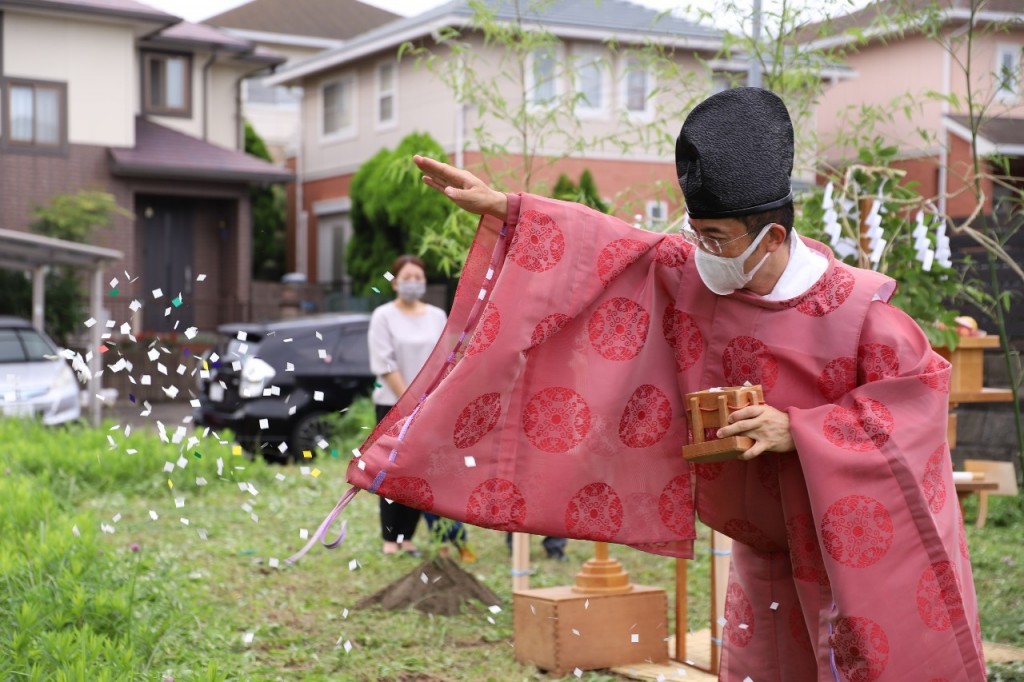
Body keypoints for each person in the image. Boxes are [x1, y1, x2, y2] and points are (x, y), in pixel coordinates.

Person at [352, 87, 983, 680]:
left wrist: (800, 430)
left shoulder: (861, 313)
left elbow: (916, 407)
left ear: (773, 238)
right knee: (762, 663)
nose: (701, 250)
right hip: (761, 543)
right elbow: (610, 249)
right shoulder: (699, 277)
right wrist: (506, 210)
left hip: (847, 548)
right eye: (697, 234)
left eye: (716, 238)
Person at [367, 254, 475, 562]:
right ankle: (390, 538)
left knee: (417, 472)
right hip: (393, 405)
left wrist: (434, 400)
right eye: (407, 277)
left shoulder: (437, 316)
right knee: (390, 472)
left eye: (418, 277)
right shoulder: (383, 316)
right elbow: (385, 364)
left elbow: (447, 358)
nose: (413, 283)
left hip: (431, 407)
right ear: (395, 282)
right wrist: (409, 401)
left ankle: (408, 538)